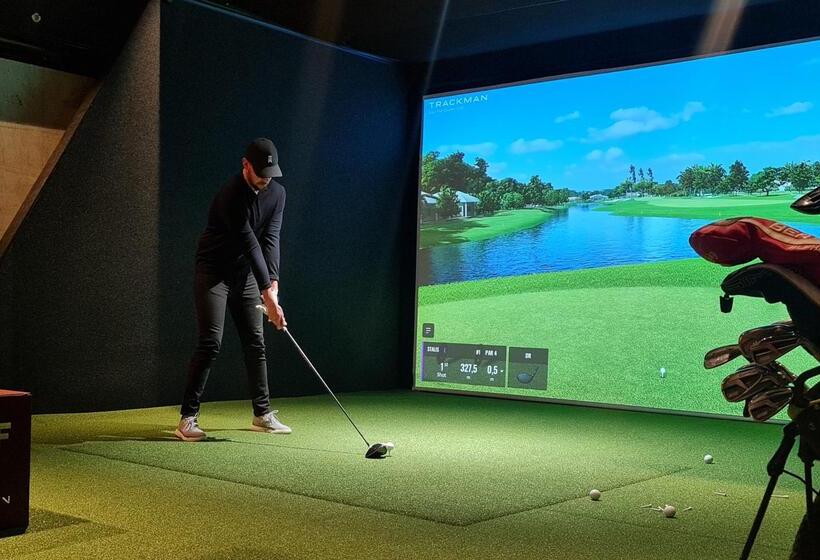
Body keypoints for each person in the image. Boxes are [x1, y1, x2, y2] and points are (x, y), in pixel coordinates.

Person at [175, 138, 289, 442]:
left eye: (270, 174)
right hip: (213, 272)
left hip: (245, 274)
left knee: (255, 342)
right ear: (245, 165)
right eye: (260, 173)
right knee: (211, 341)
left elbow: (270, 239)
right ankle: (187, 418)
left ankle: (262, 414)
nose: (266, 179)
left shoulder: (277, 194)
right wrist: (267, 295)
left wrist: (273, 285)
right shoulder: (230, 195)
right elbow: (249, 243)